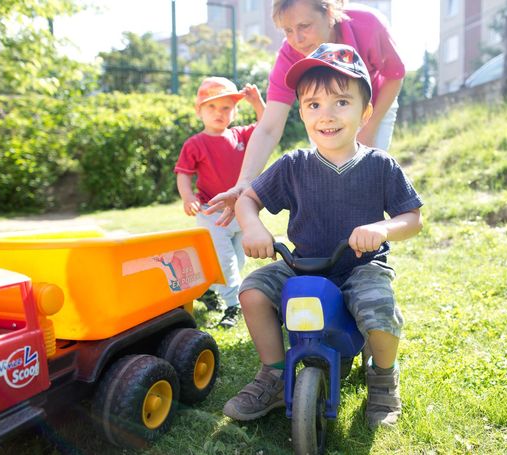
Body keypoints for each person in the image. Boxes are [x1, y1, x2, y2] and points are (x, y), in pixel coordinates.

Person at [223, 43, 423, 429]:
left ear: (365, 112)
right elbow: (247, 200)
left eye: (341, 103)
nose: (326, 115)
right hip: (303, 265)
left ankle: (383, 378)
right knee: (252, 292)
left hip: (361, 267)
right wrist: (253, 226)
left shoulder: (380, 165)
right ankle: (274, 372)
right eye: (313, 105)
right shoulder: (293, 165)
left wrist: (381, 228)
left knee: (379, 310)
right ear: (301, 113)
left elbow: (411, 218)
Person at [206, 0, 406, 226]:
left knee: (365, 175)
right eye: (288, 30)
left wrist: (369, 128)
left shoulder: (368, 24)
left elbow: (395, 74)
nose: (297, 39)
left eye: (304, 26)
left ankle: (369, 246)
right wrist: (244, 181)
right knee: (329, 178)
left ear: (330, 12)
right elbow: (269, 127)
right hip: (324, 115)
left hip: (374, 104)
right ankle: (330, 244)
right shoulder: (289, 54)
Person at [174, 76, 265, 328]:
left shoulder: (242, 135)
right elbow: (184, 174)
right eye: (211, 107)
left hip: (241, 210)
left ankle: (207, 289)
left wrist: (257, 102)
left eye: (226, 107)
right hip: (211, 212)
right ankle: (234, 304)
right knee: (225, 260)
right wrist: (188, 196)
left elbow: (266, 125)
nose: (219, 113)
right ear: (199, 111)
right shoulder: (195, 143)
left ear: (235, 112)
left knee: (237, 259)